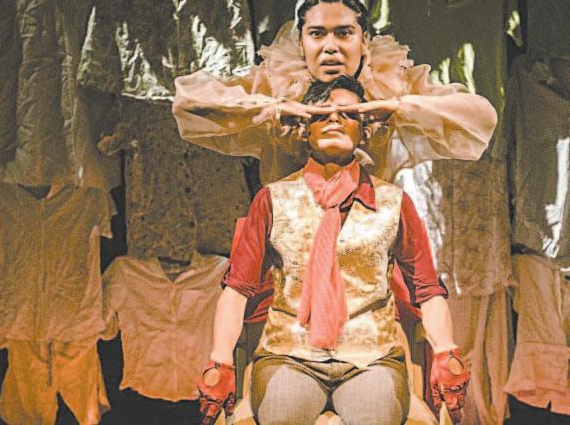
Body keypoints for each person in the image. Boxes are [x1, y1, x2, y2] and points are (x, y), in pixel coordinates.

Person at [197, 76, 471, 424]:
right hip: (289, 352)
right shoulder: (273, 199)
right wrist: (220, 360)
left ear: (365, 131)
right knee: (282, 415)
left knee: (375, 417)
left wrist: (446, 351)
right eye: (321, 114)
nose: (334, 119)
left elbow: (427, 289)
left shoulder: (393, 203)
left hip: (371, 356)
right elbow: (237, 289)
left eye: (348, 114)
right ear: (304, 129)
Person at [171, 0, 497, 186]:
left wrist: (399, 108)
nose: (330, 47)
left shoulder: (392, 82)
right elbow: (188, 105)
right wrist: (271, 110)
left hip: (368, 234)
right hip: (289, 234)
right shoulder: (274, 83)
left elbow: (481, 117)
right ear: (301, 43)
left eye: (343, 34)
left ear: (364, 41)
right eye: (317, 34)